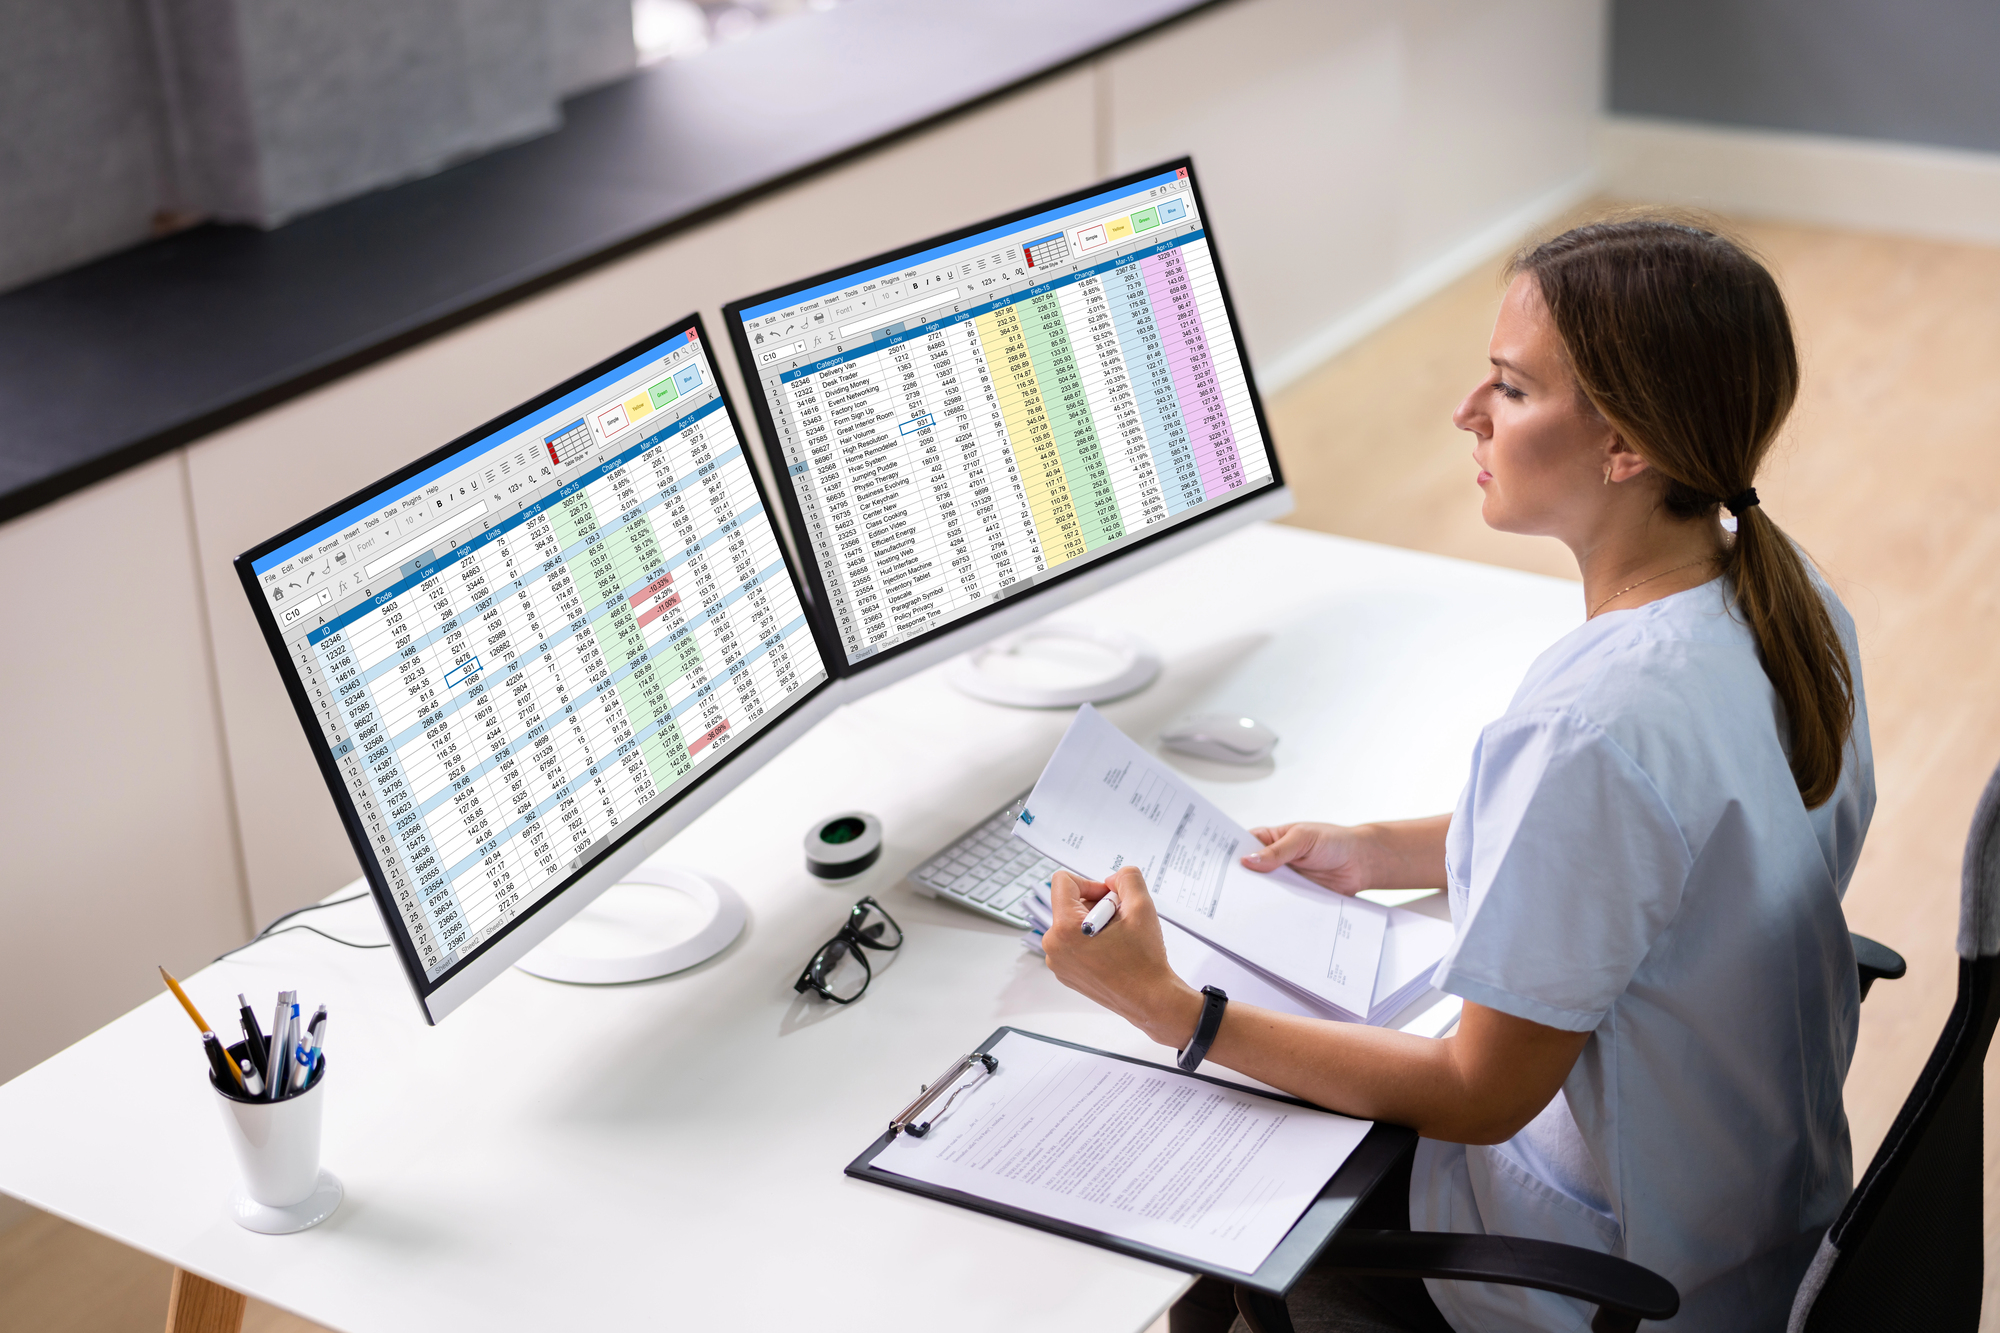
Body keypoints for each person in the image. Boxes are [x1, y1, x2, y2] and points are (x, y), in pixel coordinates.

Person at [1040, 216, 1875, 1333]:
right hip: (1761, 1219)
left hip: (1604, 1281)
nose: (1465, 414)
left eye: (1509, 389)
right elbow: (1663, 843)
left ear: (1623, 444)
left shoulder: (1592, 723)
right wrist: (1379, 849)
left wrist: (1169, 1008)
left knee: (1190, 1200)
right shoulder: (1790, 607)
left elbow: (1479, 1095)